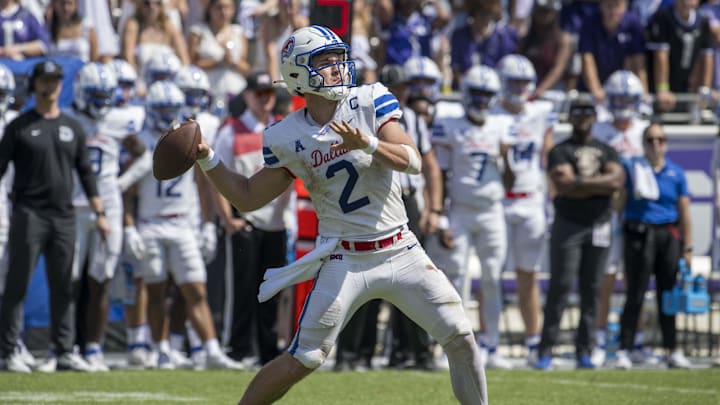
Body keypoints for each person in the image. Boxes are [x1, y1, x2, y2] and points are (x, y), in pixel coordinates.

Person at [195, 25, 487, 404]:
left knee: (461, 337)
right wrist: (208, 158)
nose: (337, 67)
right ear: (297, 73)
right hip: (344, 257)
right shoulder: (287, 135)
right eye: (325, 61)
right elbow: (249, 198)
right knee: (304, 358)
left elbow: (412, 161)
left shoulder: (368, 101)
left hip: (401, 248)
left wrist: (367, 142)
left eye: (338, 58)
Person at [0, 60, 110, 373]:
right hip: (28, 213)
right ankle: (8, 351)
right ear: (34, 84)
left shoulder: (72, 127)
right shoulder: (19, 126)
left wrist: (100, 212)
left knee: (64, 285)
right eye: (46, 80)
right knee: (17, 284)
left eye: (56, 80)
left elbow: (86, 174)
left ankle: (63, 350)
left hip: (64, 216)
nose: (51, 86)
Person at [126, 80, 242, 371]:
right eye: (161, 109)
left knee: (196, 290)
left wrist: (206, 225)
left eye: (171, 108)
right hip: (151, 223)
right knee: (155, 291)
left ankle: (212, 350)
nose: (166, 114)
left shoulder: (187, 136)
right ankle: (161, 348)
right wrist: (129, 227)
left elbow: (204, 185)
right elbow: (128, 192)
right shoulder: (139, 139)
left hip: (182, 224)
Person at [63, 62, 149, 372]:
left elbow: (143, 155)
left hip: (108, 209)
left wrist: (120, 183)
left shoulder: (121, 120)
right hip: (73, 206)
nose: (100, 103)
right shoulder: (68, 118)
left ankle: (94, 348)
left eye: (105, 96)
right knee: (69, 279)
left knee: (101, 278)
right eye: (94, 96)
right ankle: (65, 345)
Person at [432, 64, 515, 370]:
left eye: (487, 96)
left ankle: (492, 345)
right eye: (476, 95)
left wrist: (506, 156)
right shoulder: (449, 123)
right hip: (460, 211)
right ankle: (452, 348)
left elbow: (512, 182)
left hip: (492, 210)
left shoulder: (502, 126)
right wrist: (440, 215)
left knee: (493, 277)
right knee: (455, 281)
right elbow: (438, 172)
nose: (481, 102)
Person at [535, 97, 624, 370]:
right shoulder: (560, 150)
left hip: (598, 223)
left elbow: (617, 180)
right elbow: (562, 185)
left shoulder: (606, 149)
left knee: (592, 289)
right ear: (570, 117)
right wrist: (598, 185)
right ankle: (545, 350)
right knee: (560, 286)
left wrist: (580, 182)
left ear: (595, 117)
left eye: (588, 112)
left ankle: (585, 350)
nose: (583, 117)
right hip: (569, 223)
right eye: (578, 113)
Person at [212, 71, 291, 367]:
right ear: (246, 96)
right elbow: (216, 176)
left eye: (268, 94)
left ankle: (268, 350)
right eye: (259, 94)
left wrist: (285, 213)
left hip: (275, 221)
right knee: (243, 289)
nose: (265, 99)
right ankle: (238, 347)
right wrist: (228, 220)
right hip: (245, 219)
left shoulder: (280, 129)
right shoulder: (231, 131)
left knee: (272, 288)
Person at [492, 54, 555, 366]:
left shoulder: (541, 113)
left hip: (530, 198)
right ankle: (489, 342)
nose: (519, 88)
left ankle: (534, 341)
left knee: (528, 275)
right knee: (493, 275)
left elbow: (549, 156)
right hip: (499, 200)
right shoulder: (490, 113)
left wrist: (552, 201)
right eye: (513, 82)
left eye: (523, 82)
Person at [614, 123, 693, 370]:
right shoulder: (632, 167)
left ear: (666, 143)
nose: (655, 145)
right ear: (644, 143)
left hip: (668, 234)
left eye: (660, 139)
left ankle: (672, 348)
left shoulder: (676, 172)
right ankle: (625, 348)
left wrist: (688, 246)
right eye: (650, 140)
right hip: (639, 233)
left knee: (667, 294)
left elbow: (684, 210)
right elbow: (619, 204)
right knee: (635, 293)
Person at [589, 69, 651, 368]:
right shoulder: (599, 130)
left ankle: (634, 339)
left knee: (636, 277)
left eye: (629, 99)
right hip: (608, 212)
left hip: (638, 211)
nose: (624, 104)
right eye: (619, 98)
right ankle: (599, 337)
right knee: (607, 275)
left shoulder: (645, 129)